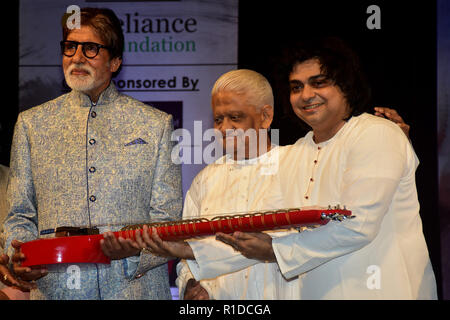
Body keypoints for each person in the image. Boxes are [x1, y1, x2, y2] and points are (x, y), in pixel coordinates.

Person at [137, 69, 415, 300]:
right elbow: (190, 244)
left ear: (265, 116)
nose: (224, 128)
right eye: (218, 119)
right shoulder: (204, 179)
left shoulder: (298, 163)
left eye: (235, 118)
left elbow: (302, 238)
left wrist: (392, 138)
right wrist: (189, 284)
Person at [216, 37, 437, 299]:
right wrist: (190, 249)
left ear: (345, 85)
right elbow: (267, 215)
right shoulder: (298, 150)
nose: (306, 95)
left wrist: (276, 250)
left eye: (319, 82)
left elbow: (358, 224)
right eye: (296, 87)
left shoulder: (376, 134)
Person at [3, 7, 182, 300]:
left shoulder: (156, 125)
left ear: (115, 62)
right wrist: (20, 256)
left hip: (134, 288)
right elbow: (19, 215)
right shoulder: (31, 124)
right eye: (70, 46)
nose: (76, 57)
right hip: (56, 289)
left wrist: (135, 249)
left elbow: (168, 219)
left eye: (90, 48)